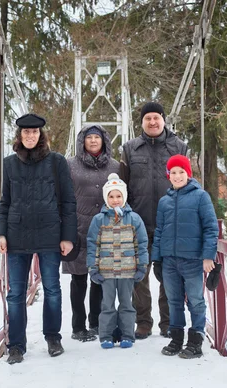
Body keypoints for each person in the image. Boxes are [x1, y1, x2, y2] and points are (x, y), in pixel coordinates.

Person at [0, 113, 77, 364]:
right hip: (17, 235)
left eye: (34, 132)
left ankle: (53, 337)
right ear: (19, 135)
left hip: (49, 235)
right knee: (15, 293)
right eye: (25, 132)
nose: (30, 136)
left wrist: (67, 237)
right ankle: (16, 346)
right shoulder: (9, 164)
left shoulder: (56, 162)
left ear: (41, 135)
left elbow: (67, 202)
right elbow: (5, 202)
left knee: (52, 289)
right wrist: (1, 232)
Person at [119, 101, 188, 339]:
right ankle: (143, 322)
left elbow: (188, 185)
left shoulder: (179, 147)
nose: (152, 122)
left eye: (156, 117)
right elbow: (122, 187)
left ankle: (168, 322)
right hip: (138, 224)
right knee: (139, 276)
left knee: (169, 275)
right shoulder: (130, 149)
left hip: (171, 224)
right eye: (147, 118)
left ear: (163, 119)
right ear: (141, 122)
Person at [152, 155, 219, 359]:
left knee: (196, 301)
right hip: (170, 260)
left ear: (188, 174)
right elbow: (160, 230)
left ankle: (196, 338)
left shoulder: (201, 197)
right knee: (173, 300)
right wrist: (157, 259)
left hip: (192, 260)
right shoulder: (164, 201)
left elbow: (210, 228)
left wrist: (208, 256)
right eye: (173, 172)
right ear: (168, 175)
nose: (178, 176)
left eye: (182, 172)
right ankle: (176, 337)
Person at [61, 125, 120, 342]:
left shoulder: (115, 166)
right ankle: (78, 326)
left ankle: (95, 323)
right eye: (89, 137)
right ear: (82, 141)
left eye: (97, 137)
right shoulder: (70, 165)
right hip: (77, 229)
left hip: (105, 231)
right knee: (78, 281)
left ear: (104, 140)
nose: (93, 141)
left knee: (99, 280)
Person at [86, 173, 148, 349]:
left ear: (124, 197)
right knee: (107, 304)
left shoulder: (134, 219)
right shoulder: (99, 220)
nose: (115, 200)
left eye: (118, 196)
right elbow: (92, 244)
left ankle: (127, 334)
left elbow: (141, 243)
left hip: (128, 271)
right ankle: (106, 335)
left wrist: (142, 265)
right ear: (106, 198)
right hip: (106, 271)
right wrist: (93, 267)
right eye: (111, 197)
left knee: (127, 304)